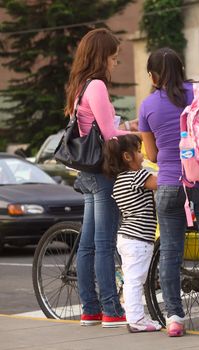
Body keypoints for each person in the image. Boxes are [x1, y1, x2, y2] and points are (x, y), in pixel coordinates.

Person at [139, 47, 199, 337]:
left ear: (153, 76)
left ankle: (175, 319)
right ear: (181, 69)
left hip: (169, 184)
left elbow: (151, 155)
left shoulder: (147, 106)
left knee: (170, 253)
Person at [64, 28, 130, 327]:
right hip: (102, 173)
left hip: (86, 172)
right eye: (114, 58)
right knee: (104, 244)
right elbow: (109, 133)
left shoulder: (79, 87)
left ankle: (90, 310)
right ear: (101, 56)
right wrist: (141, 135)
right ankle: (112, 311)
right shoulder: (98, 86)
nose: (115, 64)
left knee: (89, 244)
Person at [102, 134, 162, 333]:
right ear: (127, 157)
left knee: (132, 279)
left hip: (127, 237)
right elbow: (160, 183)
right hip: (138, 239)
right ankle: (136, 320)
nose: (142, 155)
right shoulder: (137, 176)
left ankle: (136, 316)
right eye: (138, 151)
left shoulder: (119, 181)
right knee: (135, 280)